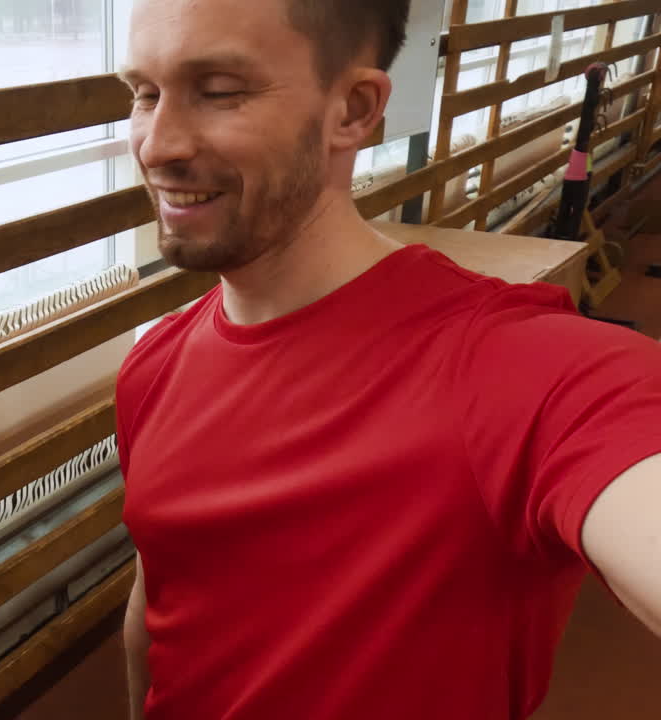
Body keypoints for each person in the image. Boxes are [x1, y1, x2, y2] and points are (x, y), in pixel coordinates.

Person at [115, 1, 661, 718]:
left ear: (354, 108)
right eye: (144, 94)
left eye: (219, 91)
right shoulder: (155, 364)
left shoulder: (517, 369)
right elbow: (158, 607)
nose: (157, 145)